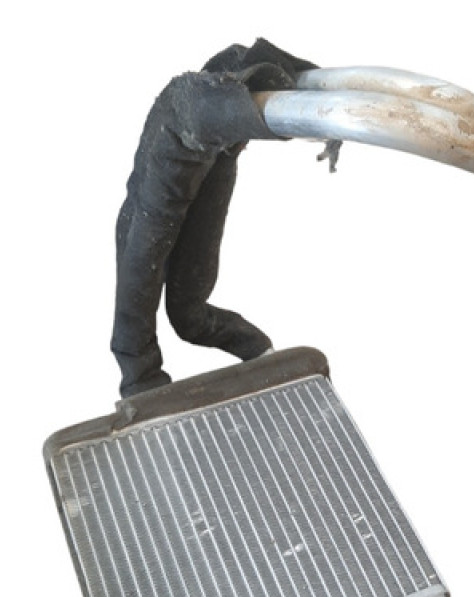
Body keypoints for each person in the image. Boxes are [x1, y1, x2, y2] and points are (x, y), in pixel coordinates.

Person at [111, 39, 318, 398]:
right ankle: (141, 384)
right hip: (164, 179)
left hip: (210, 150)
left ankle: (260, 353)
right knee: (140, 289)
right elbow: (137, 278)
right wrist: (141, 383)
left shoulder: (218, 138)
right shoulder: (192, 107)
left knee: (188, 315)